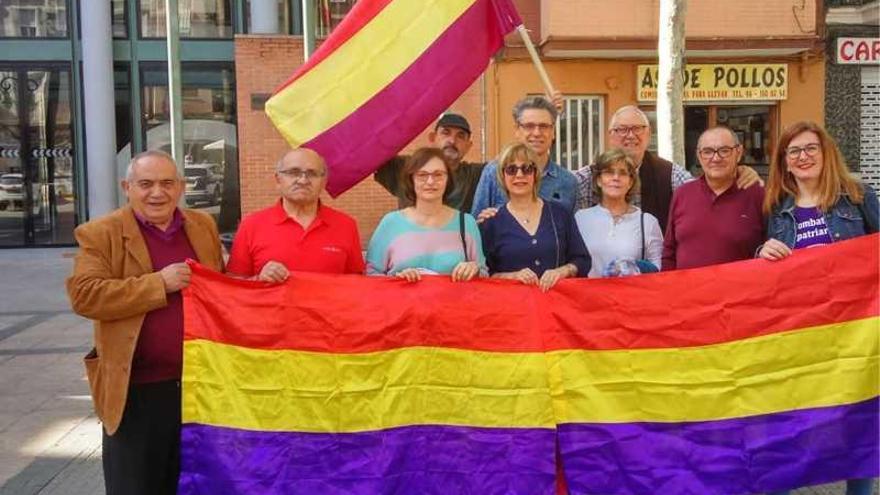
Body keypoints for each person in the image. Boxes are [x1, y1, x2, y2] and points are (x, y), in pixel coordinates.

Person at [66, 150, 225, 495]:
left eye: (167, 183)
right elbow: (85, 295)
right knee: (135, 487)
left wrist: (259, 281)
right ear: (127, 187)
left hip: (198, 388)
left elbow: (222, 287)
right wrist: (158, 284)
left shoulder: (202, 225)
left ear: (181, 187)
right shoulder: (100, 233)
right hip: (135, 391)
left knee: (193, 484)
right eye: (146, 184)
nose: (158, 192)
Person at [574, 105, 762, 233]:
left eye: (637, 129)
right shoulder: (587, 176)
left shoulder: (670, 174)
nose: (630, 136)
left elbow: (705, 192)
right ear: (610, 135)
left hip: (654, 278)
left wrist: (736, 173)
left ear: (648, 133)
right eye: (622, 129)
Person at [227, 148, 365, 281]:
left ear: (324, 182)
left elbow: (357, 284)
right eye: (293, 172)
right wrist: (258, 279)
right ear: (278, 179)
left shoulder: (346, 225)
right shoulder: (251, 225)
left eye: (312, 173)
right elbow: (234, 286)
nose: (303, 180)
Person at [759, 121, 878, 264]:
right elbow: (769, 266)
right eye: (794, 151)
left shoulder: (858, 194)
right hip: (801, 286)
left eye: (811, 148)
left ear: (826, 154)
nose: (803, 157)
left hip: (852, 286)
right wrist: (763, 253)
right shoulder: (776, 208)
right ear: (785, 163)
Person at [480, 143, 590, 291]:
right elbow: (484, 274)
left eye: (526, 169)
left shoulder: (560, 214)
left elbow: (582, 260)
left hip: (556, 305)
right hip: (512, 307)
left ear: (535, 174)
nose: (519, 175)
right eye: (511, 170)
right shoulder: (491, 223)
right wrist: (512, 276)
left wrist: (562, 271)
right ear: (503, 176)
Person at [366, 147, 485, 282]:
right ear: (411, 179)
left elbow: (483, 272)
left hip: (453, 302)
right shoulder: (390, 223)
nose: (430, 182)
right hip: (400, 302)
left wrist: (474, 269)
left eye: (438, 174)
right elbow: (371, 273)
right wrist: (396, 280)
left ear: (448, 179)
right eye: (422, 175)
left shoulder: (466, 223)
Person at [662, 126, 765, 270]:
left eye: (724, 151)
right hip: (688, 291)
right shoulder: (682, 194)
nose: (715, 158)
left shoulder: (758, 195)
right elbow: (669, 252)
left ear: (738, 152)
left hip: (740, 291)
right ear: (699, 155)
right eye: (708, 152)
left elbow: (771, 248)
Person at [471, 95, 578, 216]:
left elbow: (571, 231)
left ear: (553, 131)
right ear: (517, 130)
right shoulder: (494, 172)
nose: (537, 133)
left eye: (543, 126)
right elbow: (475, 227)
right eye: (529, 126)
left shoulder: (567, 182)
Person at [575, 148, 663, 277]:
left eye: (622, 173)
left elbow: (659, 269)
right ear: (599, 180)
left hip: (629, 295)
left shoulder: (647, 222)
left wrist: (635, 267)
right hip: (588, 296)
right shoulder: (580, 219)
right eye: (609, 172)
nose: (616, 178)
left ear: (630, 182)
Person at [374, 112, 485, 213]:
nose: (452, 141)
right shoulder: (404, 166)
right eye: (446, 133)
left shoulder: (477, 175)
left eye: (460, 136)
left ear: (468, 146)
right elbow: (372, 146)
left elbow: (502, 162)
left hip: (456, 234)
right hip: (413, 234)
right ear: (433, 138)